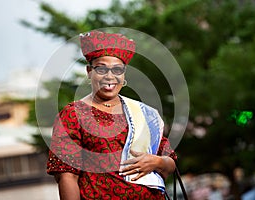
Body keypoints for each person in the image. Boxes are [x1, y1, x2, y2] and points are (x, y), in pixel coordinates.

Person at [47, 30, 177, 199]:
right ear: (89, 71)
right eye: (101, 69)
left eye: (117, 70)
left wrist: (157, 162)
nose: (110, 76)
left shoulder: (142, 113)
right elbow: (67, 176)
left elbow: (170, 163)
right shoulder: (73, 115)